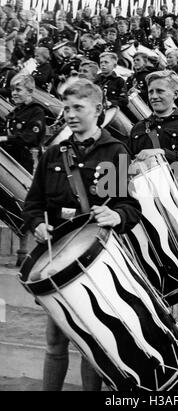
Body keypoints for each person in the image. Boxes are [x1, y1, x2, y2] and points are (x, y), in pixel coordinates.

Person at [22, 79, 142, 391]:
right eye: (66, 107)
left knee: (92, 342)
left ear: (98, 110)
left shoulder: (115, 151)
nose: (70, 114)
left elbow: (128, 205)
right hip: (57, 261)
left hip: (96, 263)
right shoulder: (53, 153)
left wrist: (115, 214)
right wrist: (36, 223)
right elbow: (33, 204)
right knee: (55, 340)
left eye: (78, 107)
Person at [128, 70, 178, 349]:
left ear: (175, 94)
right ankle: (165, 326)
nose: (154, 96)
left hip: (175, 205)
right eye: (151, 91)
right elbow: (126, 168)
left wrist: (161, 154)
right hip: (145, 208)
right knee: (154, 266)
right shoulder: (137, 129)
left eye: (161, 91)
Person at [1, 73, 46, 267]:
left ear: (30, 91)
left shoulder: (36, 112)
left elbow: (30, 138)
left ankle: (27, 252)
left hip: (26, 163)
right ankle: (22, 253)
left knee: (27, 205)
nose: (14, 93)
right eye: (13, 89)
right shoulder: (13, 113)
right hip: (10, 161)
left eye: (18, 89)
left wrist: (4, 139)